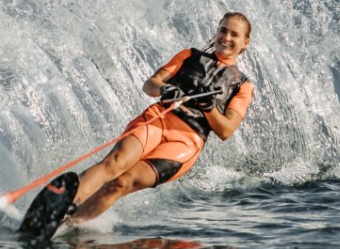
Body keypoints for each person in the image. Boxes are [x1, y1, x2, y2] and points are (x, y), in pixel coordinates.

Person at [63, 12, 253, 227]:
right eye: (223, 30)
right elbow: (150, 84)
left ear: (245, 42)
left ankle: (67, 226)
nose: (226, 37)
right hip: (159, 119)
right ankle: (64, 205)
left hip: (186, 141)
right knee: (115, 162)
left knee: (121, 183)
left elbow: (226, 130)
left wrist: (209, 107)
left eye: (234, 34)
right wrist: (165, 88)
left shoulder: (243, 86)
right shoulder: (189, 56)